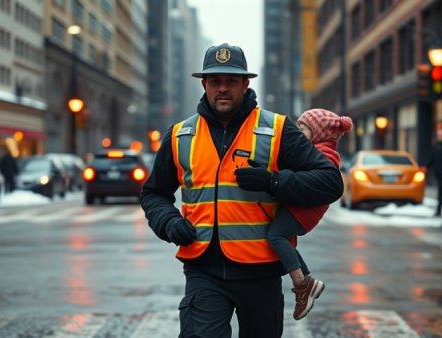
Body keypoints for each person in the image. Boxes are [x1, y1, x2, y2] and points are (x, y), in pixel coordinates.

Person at [140, 43, 343, 338]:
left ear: (245, 84)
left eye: (231, 81)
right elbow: (153, 194)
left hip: (261, 273)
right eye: (216, 81)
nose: (223, 88)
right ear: (204, 84)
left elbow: (330, 182)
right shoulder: (180, 135)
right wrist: (168, 223)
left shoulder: (277, 129)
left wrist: (274, 182)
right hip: (203, 271)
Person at [267, 108, 353, 320]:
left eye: (302, 127)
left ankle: (303, 283)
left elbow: (310, 179)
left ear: (319, 132)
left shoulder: (324, 154)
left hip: (306, 209)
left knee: (275, 236)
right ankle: (306, 281)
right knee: (282, 237)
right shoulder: (315, 149)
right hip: (303, 207)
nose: (297, 131)